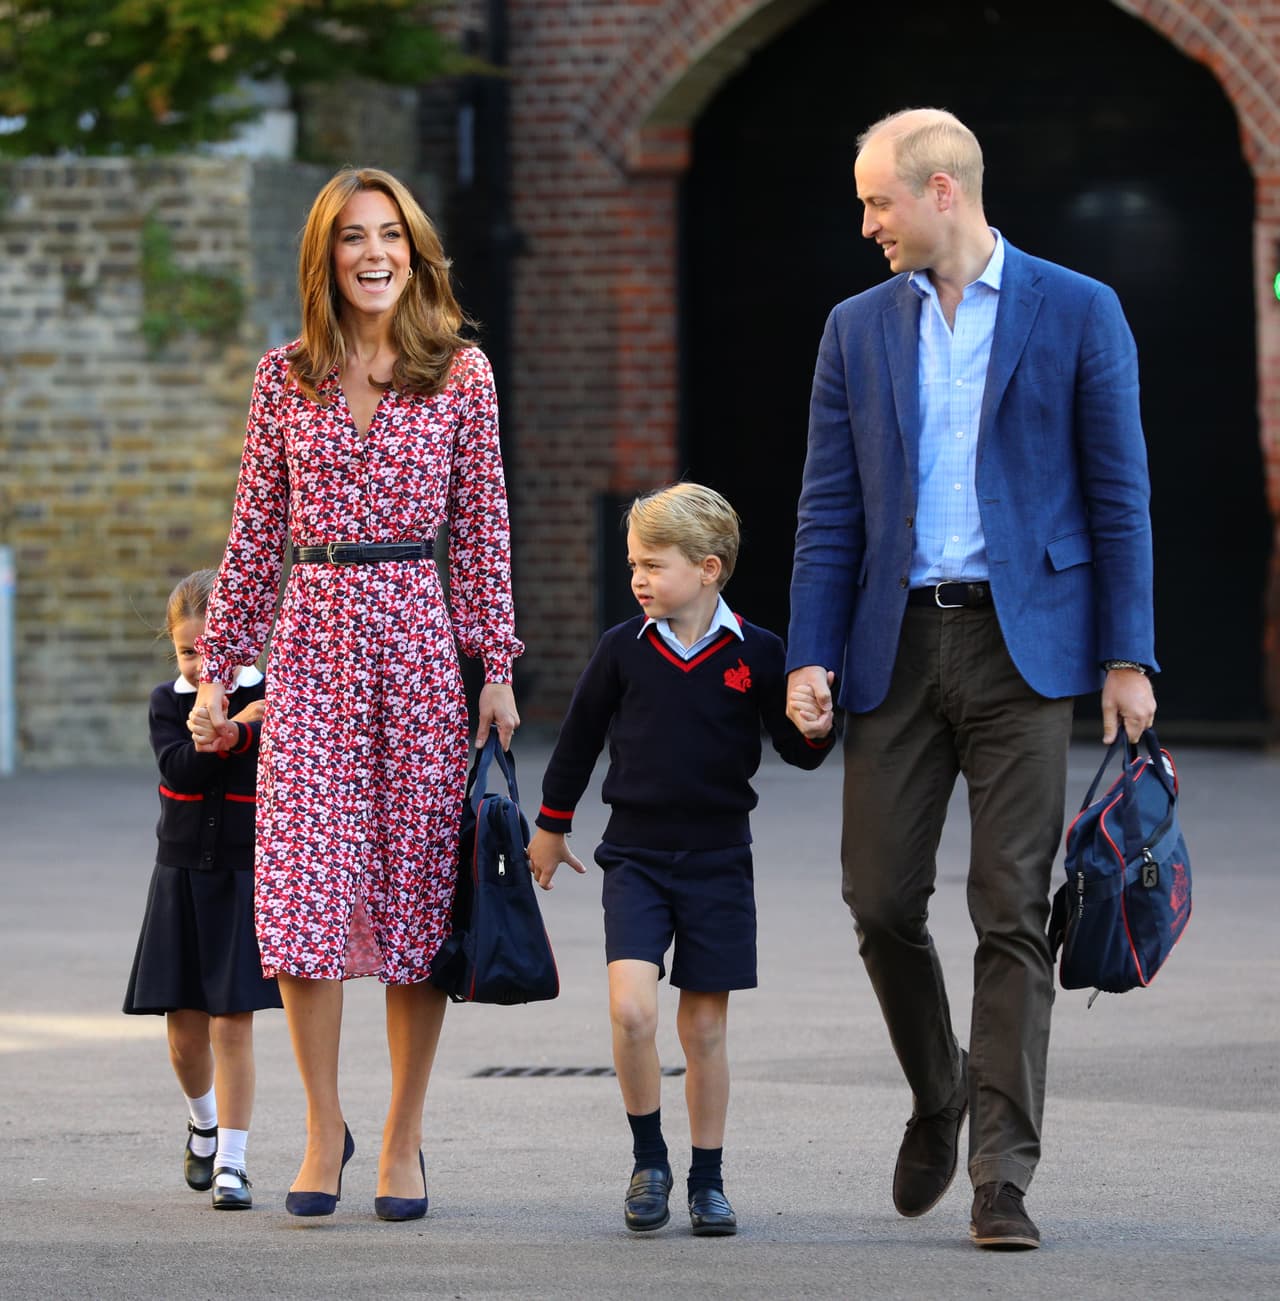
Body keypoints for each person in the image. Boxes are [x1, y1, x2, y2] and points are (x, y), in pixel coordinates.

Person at [786, 108, 1158, 1250]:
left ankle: (1000, 1170)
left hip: (1023, 646)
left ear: (940, 189)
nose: (864, 225)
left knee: (1010, 909)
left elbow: (1118, 493)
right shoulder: (854, 329)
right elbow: (828, 506)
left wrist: (1126, 653)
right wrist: (808, 649)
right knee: (879, 899)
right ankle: (939, 1085)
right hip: (890, 647)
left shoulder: (1078, 308)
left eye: (876, 201)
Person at [191, 167, 522, 1221]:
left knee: (418, 898)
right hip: (314, 641)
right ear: (325, 259)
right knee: (304, 894)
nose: (373, 254)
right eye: (352, 239)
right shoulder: (281, 377)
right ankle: (319, 1127)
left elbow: (479, 530)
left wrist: (497, 665)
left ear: (415, 252)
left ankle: (401, 1136)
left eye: (390, 235)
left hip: (418, 645)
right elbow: (251, 537)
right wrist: (215, 673)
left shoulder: (461, 373)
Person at [529, 482, 834, 1236]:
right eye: (633, 562)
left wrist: (818, 723)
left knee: (702, 1031)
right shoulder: (621, 649)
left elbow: (797, 751)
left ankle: (707, 1177)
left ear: (709, 567)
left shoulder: (757, 652)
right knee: (632, 1010)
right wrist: (550, 825)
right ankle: (649, 1161)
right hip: (633, 855)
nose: (638, 577)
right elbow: (576, 743)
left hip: (719, 860)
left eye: (653, 564)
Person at [123, 568, 281, 1211]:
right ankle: (203, 1124)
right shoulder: (170, 703)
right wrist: (226, 727)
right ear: (174, 648)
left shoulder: (273, 697)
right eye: (189, 650)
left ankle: (235, 1165)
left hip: (242, 879)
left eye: (214, 648)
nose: (200, 661)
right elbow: (179, 769)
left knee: (233, 1024)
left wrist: (243, 722)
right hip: (180, 876)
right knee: (184, 1030)